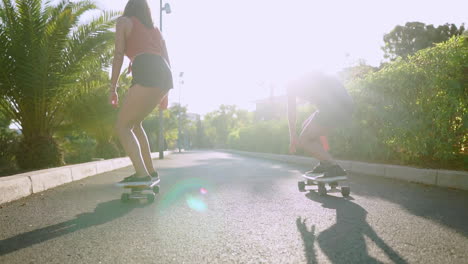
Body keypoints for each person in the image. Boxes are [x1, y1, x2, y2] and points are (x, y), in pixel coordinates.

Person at [109, 0, 173, 184]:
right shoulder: (156, 30)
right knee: (135, 124)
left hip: (146, 69)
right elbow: (166, 59)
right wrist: (166, 93)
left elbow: (118, 54)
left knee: (122, 126)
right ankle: (150, 172)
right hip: (164, 74)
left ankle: (141, 174)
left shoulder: (124, 21)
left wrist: (113, 87)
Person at [287, 72, 353, 178]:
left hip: (333, 107)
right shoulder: (309, 73)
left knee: (304, 140)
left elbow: (292, 111)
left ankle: (333, 167)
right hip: (346, 105)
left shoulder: (291, 83)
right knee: (306, 125)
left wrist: (293, 135)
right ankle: (325, 162)